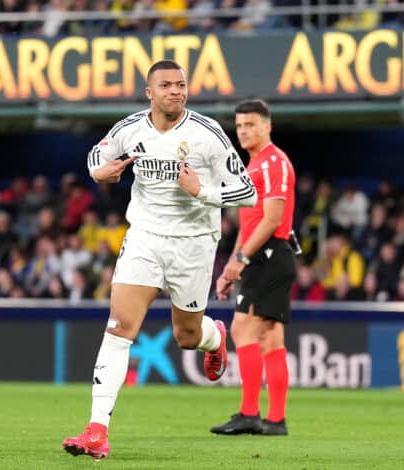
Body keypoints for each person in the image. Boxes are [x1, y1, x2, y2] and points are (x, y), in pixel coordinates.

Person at [62, 60, 258, 459]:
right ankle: (97, 430)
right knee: (118, 328)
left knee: (186, 336)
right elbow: (95, 155)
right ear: (149, 92)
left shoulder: (208, 135)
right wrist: (101, 172)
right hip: (145, 238)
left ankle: (214, 337)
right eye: (166, 85)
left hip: (194, 243)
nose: (176, 91)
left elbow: (248, 191)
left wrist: (201, 190)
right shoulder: (130, 128)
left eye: (181, 85)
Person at [210, 99, 296, 436]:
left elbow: (272, 218)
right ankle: (276, 420)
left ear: (267, 126)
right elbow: (249, 223)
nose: (244, 131)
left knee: (242, 330)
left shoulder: (275, 162)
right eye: (240, 125)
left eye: (251, 124)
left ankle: (249, 413)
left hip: (270, 253)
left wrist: (243, 259)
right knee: (270, 339)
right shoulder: (253, 165)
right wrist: (233, 263)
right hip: (264, 253)